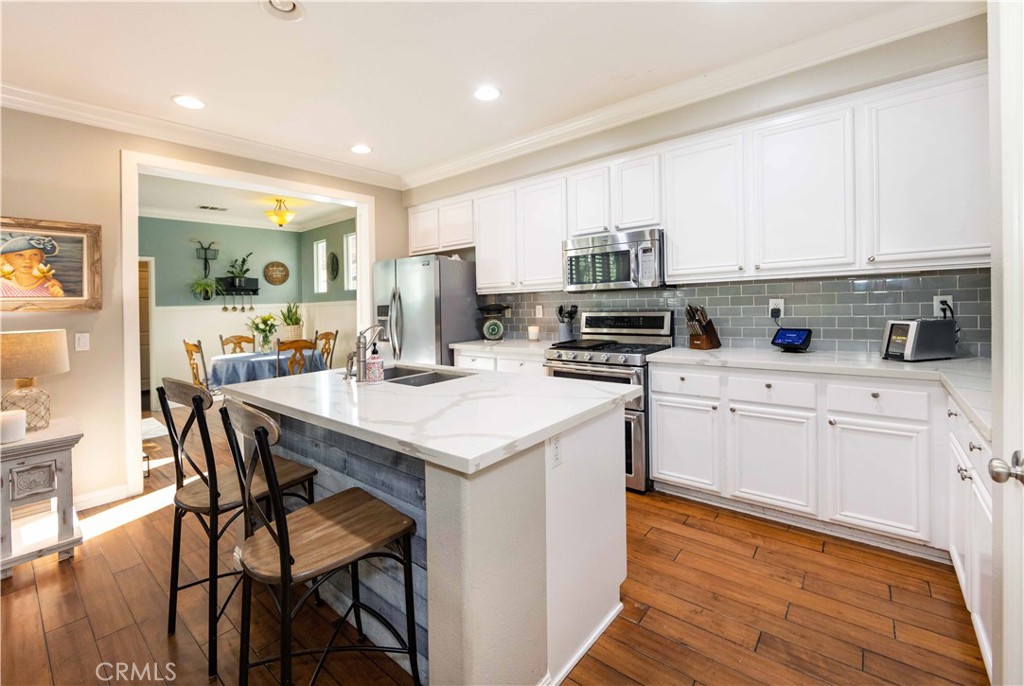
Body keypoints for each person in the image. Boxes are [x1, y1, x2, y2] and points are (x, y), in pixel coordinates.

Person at [0, 235, 65, 297]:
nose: (28, 260)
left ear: (41, 258)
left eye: (34, 255)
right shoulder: (2, 286)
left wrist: (57, 296)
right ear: (6, 259)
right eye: (19, 255)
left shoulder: (50, 285)